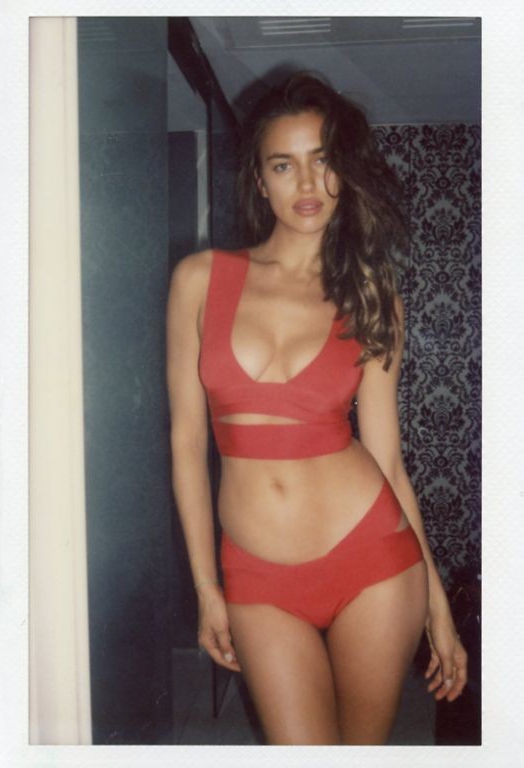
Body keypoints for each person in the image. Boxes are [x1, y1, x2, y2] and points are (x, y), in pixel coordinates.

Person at [166, 71, 468, 745]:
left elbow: (388, 460)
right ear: (259, 180)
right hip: (256, 575)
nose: (306, 183)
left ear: (344, 172)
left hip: (372, 559)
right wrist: (206, 587)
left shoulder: (372, 295)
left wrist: (437, 605)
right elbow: (186, 442)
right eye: (284, 164)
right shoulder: (199, 280)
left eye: (323, 160)